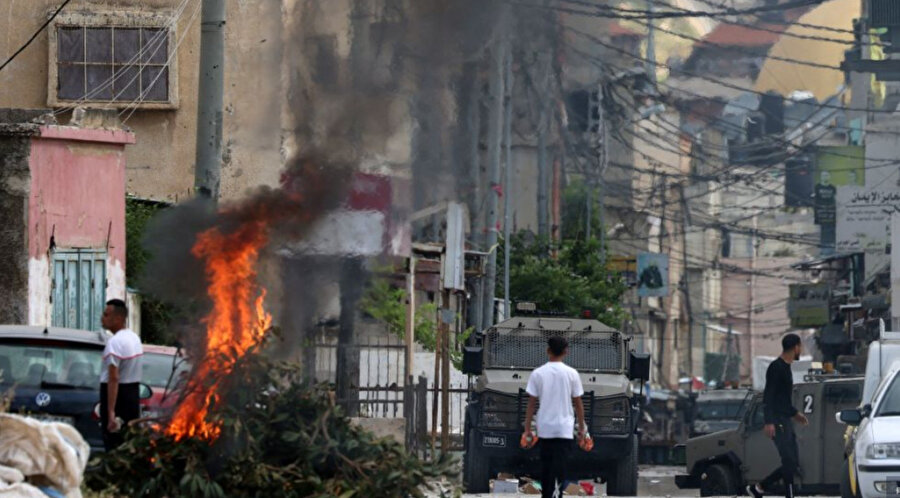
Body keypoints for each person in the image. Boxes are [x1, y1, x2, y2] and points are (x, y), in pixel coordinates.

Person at [523, 337, 587, 498]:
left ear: (548, 351)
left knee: (546, 466)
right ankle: (558, 493)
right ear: (566, 351)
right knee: (561, 465)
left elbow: (531, 403)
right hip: (565, 429)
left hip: (545, 428)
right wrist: (582, 429)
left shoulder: (538, 373)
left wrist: (527, 430)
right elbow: (578, 404)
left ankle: (547, 494)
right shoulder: (572, 374)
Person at [747, 333, 808, 498]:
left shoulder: (786, 368)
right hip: (777, 421)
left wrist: (796, 414)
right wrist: (769, 422)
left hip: (785, 419)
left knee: (793, 462)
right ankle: (789, 494)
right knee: (788, 460)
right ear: (795, 347)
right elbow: (769, 396)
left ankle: (759, 487)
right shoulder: (776, 367)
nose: (800, 350)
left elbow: (783, 401)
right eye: (800, 347)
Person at [99, 299, 143, 450]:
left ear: (118, 318)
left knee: (113, 443)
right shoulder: (134, 338)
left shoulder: (114, 343)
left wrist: (111, 412)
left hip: (118, 398)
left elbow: (114, 378)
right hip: (132, 394)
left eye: (106, 314)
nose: (102, 317)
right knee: (128, 444)